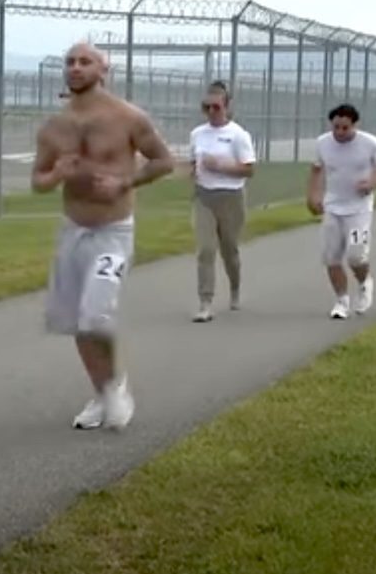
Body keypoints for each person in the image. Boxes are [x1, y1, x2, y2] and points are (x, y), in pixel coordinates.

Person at [31, 42, 175, 430]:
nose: (75, 68)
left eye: (85, 62)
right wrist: (57, 173)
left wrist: (124, 182)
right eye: (70, 62)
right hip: (73, 231)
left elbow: (164, 161)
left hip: (113, 231)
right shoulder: (54, 127)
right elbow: (38, 181)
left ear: (103, 70)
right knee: (78, 322)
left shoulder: (128, 117)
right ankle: (102, 393)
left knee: (96, 314)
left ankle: (116, 388)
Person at [306, 103, 376, 320]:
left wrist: (372, 183)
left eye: (345, 128)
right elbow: (316, 170)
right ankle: (341, 301)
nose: (340, 132)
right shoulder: (323, 143)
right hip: (333, 207)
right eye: (336, 127)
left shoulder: (369, 143)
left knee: (356, 256)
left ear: (354, 125)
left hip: (359, 209)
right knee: (331, 257)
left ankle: (364, 282)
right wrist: (313, 195)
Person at [189, 81, 256, 323]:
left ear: (226, 107)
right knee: (206, 250)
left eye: (216, 107)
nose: (211, 112)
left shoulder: (238, 135)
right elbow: (193, 163)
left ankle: (235, 288)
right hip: (204, 197)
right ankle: (205, 302)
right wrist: (191, 171)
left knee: (229, 251)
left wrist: (221, 165)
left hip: (231, 197)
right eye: (206, 107)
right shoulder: (197, 134)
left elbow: (249, 170)